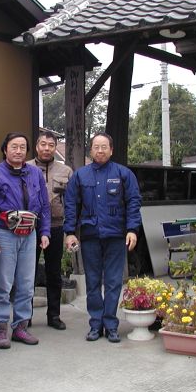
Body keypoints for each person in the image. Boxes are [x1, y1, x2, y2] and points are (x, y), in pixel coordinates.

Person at [64, 132, 142, 343]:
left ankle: (111, 325)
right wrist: (70, 232)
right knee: (92, 282)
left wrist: (132, 230)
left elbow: (133, 202)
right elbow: (71, 205)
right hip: (90, 236)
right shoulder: (80, 176)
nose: (100, 151)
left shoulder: (124, 174)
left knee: (114, 282)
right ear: (91, 150)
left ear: (111, 150)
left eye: (104, 147)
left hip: (116, 236)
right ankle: (95, 324)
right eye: (96, 147)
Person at [0, 132, 51, 348]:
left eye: (22, 147)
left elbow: (44, 204)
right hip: (4, 232)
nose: (19, 151)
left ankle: (21, 327)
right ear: (5, 149)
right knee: (4, 283)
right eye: (14, 146)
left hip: (29, 233)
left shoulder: (35, 173)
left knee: (27, 284)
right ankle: (1, 327)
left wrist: (45, 232)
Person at [27, 131, 73, 330]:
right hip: (29, 228)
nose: (46, 148)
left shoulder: (66, 171)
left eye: (51, 145)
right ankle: (25, 315)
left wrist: (70, 230)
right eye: (43, 144)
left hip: (56, 226)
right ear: (37, 146)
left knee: (54, 272)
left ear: (55, 147)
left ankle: (54, 315)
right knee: (27, 273)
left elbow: (71, 202)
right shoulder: (26, 168)